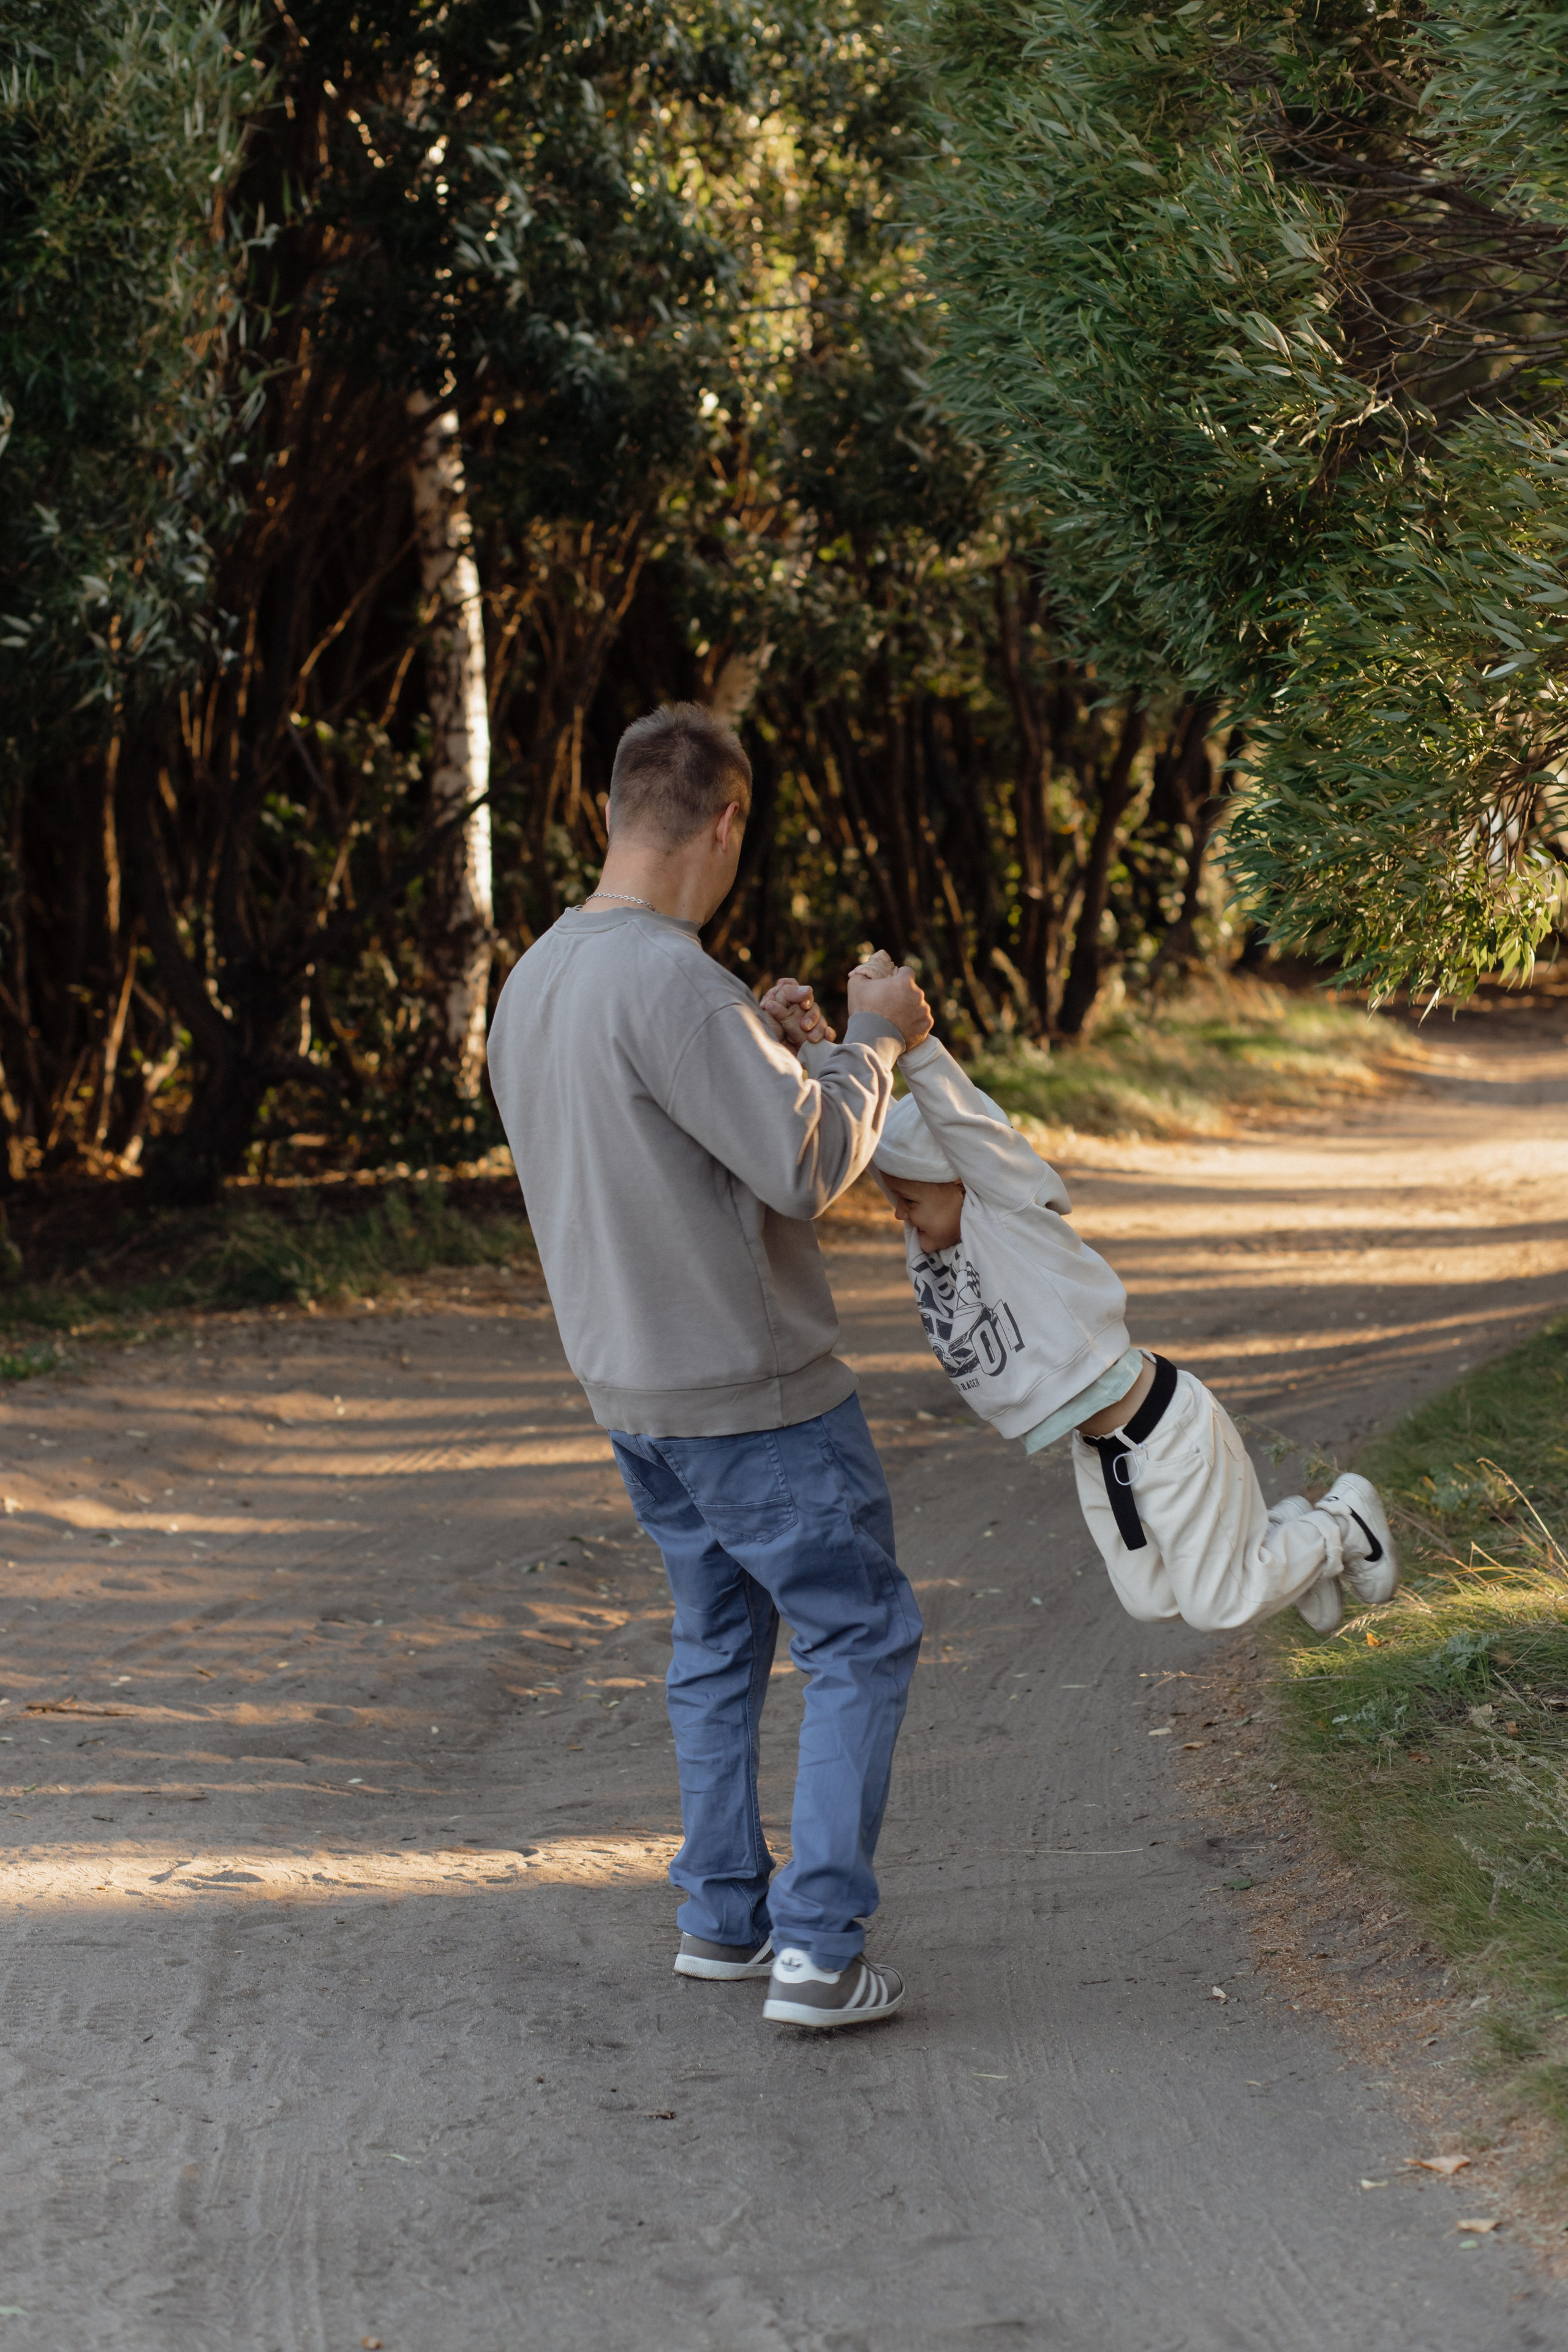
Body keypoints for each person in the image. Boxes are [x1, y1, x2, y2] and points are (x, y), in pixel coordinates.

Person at [486, 704, 932, 2032]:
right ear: (726, 818)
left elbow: (674, 1140)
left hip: (635, 1396)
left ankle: (721, 1921)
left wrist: (771, 1038)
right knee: (861, 1634)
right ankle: (815, 1954)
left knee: (717, 1641)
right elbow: (805, 1164)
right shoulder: (670, 984)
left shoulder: (541, 977)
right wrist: (875, 1037)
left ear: (612, 812)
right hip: (753, 1397)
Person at [858, 974, 1400, 1635]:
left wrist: (912, 1046)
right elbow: (846, 1126)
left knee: (1216, 1605)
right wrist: (827, 1048)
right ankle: (1288, 1539)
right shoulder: (935, 1247)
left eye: (908, 1201)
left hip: (1163, 1432)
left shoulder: (1008, 1218)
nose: (896, 1217)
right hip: (1101, 1451)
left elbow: (970, 1134)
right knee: (1151, 1599)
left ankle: (1343, 1524)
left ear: (966, 1186)